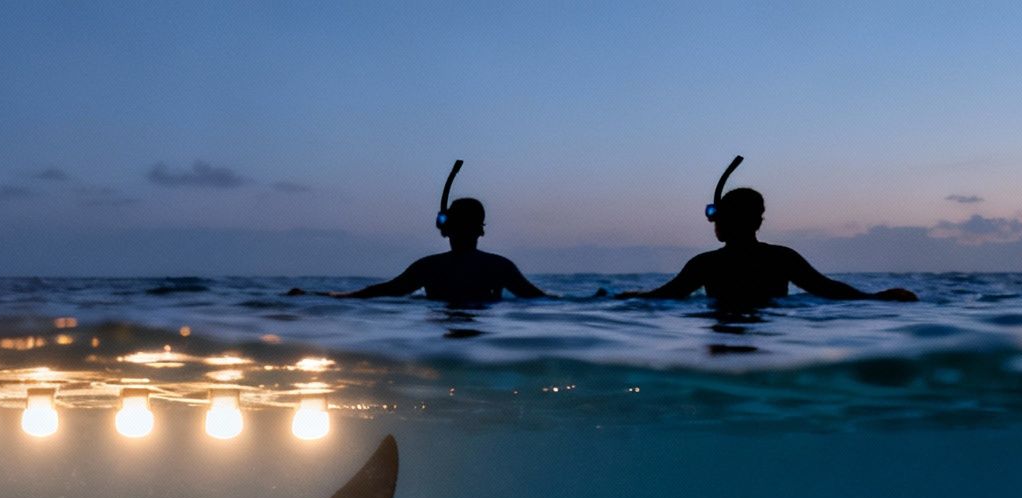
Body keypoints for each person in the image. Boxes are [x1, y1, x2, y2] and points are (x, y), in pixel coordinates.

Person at [619, 187, 916, 305]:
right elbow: (826, 289)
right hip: (770, 335)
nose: (714, 224)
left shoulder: (706, 263)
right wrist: (876, 297)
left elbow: (665, 297)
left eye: (718, 217)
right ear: (758, 222)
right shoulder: (780, 257)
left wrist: (629, 297)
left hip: (722, 341)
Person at [301, 196, 547, 304]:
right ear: (481, 231)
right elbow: (538, 299)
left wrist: (317, 295)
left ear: (445, 229)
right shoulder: (498, 266)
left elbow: (378, 292)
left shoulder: (429, 267)